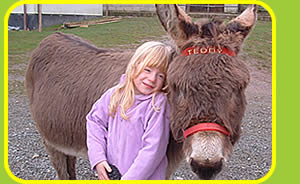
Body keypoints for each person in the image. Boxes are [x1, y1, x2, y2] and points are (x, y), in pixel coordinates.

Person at [86, 41, 171, 180]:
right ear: (134, 65)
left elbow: (153, 150)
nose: (152, 79)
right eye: (147, 70)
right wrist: (98, 159)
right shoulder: (115, 94)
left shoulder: (157, 104)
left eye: (160, 75)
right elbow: (94, 121)